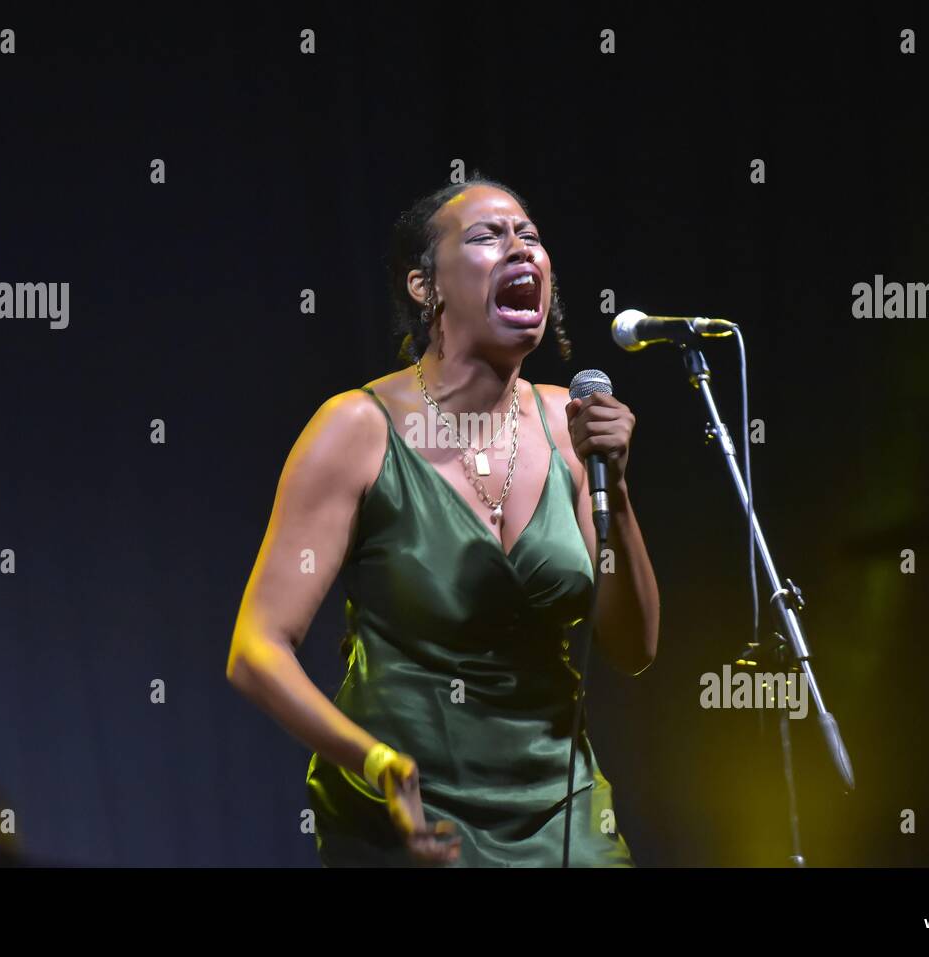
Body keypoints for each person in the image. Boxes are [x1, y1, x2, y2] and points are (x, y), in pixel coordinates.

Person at [226, 175, 661, 866]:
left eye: (533, 237)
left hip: (563, 811)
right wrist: (372, 761)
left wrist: (619, 487)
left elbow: (634, 648)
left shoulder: (567, 425)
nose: (522, 249)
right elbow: (256, 649)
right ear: (426, 287)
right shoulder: (355, 429)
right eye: (489, 237)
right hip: (408, 818)